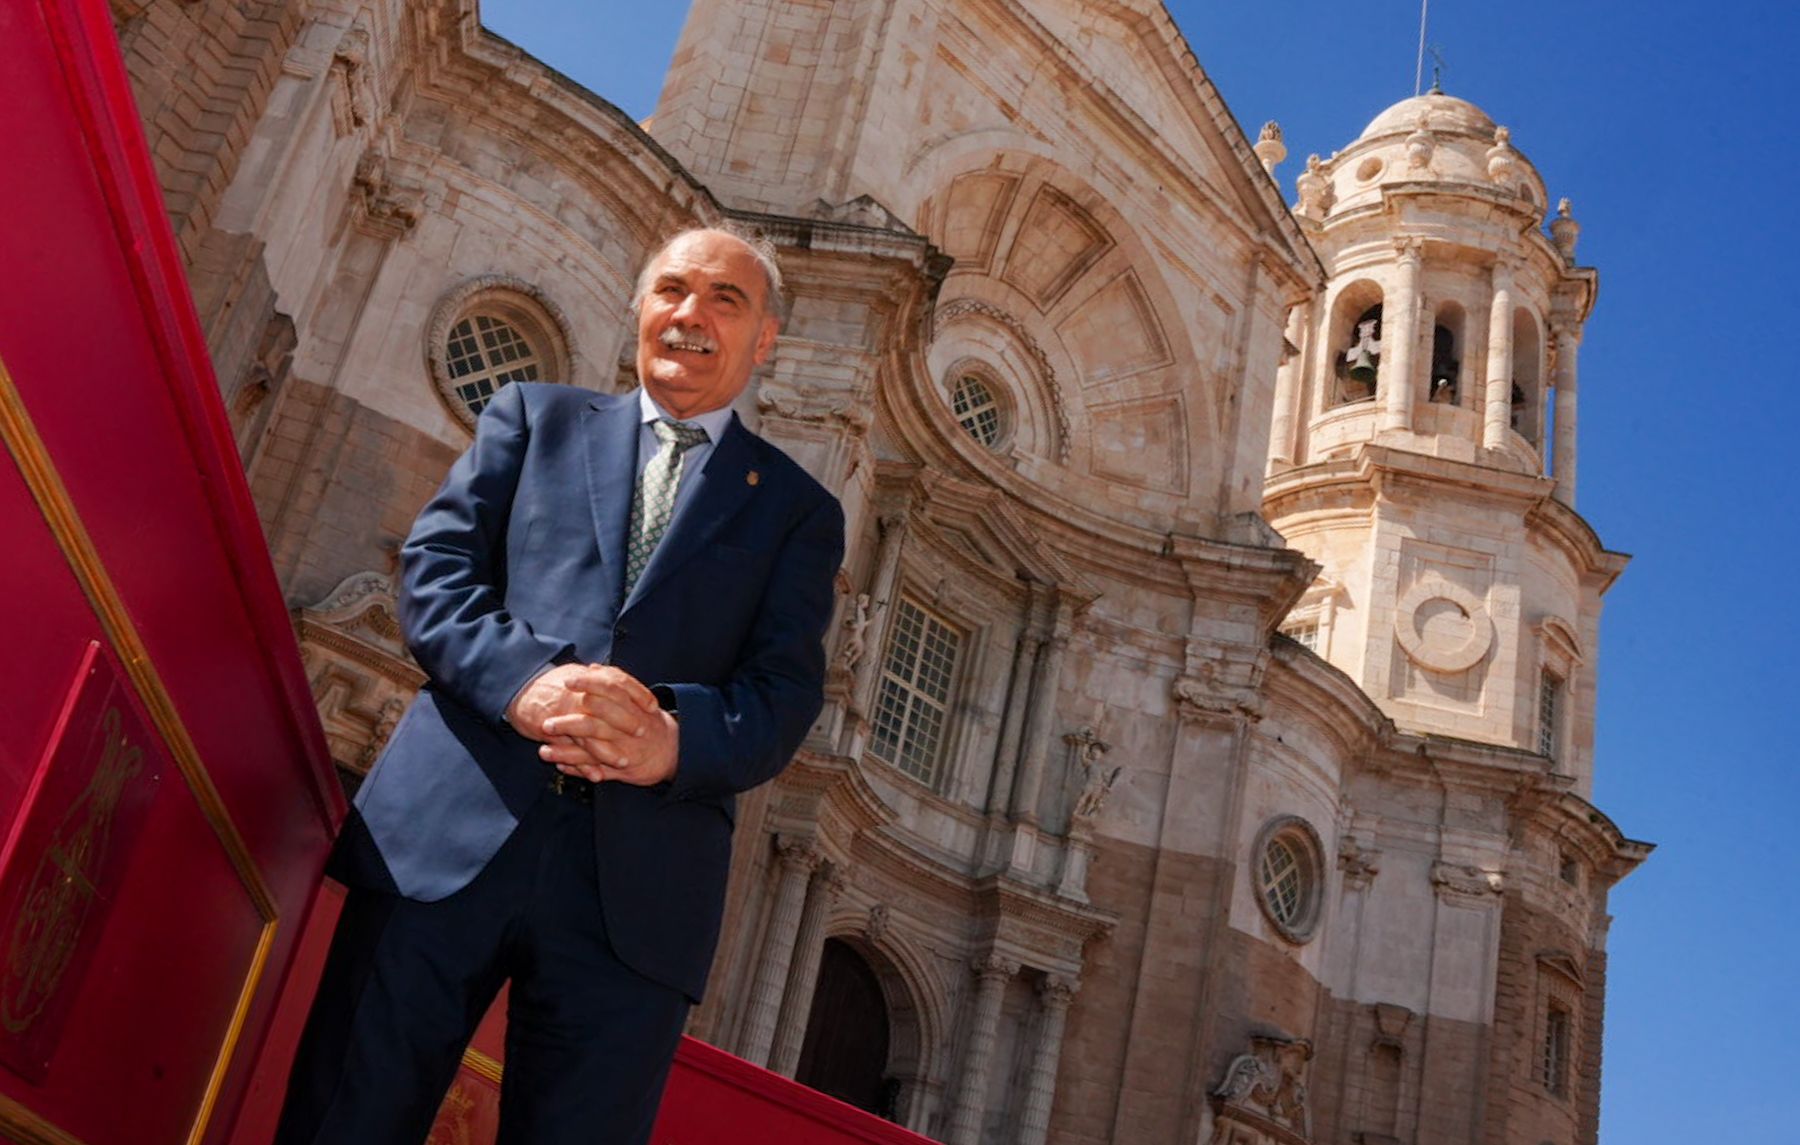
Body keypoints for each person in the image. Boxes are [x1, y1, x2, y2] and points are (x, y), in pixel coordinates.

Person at [276, 227, 844, 1145]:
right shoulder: (531, 417)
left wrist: (673, 739)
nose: (691, 314)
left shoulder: (798, 512)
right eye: (671, 289)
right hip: (446, 842)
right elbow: (436, 574)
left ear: (766, 337)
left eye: (725, 300)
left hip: (636, 898)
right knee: (345, 1116)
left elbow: (781, 694)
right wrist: (527, 685)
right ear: (640, 309)